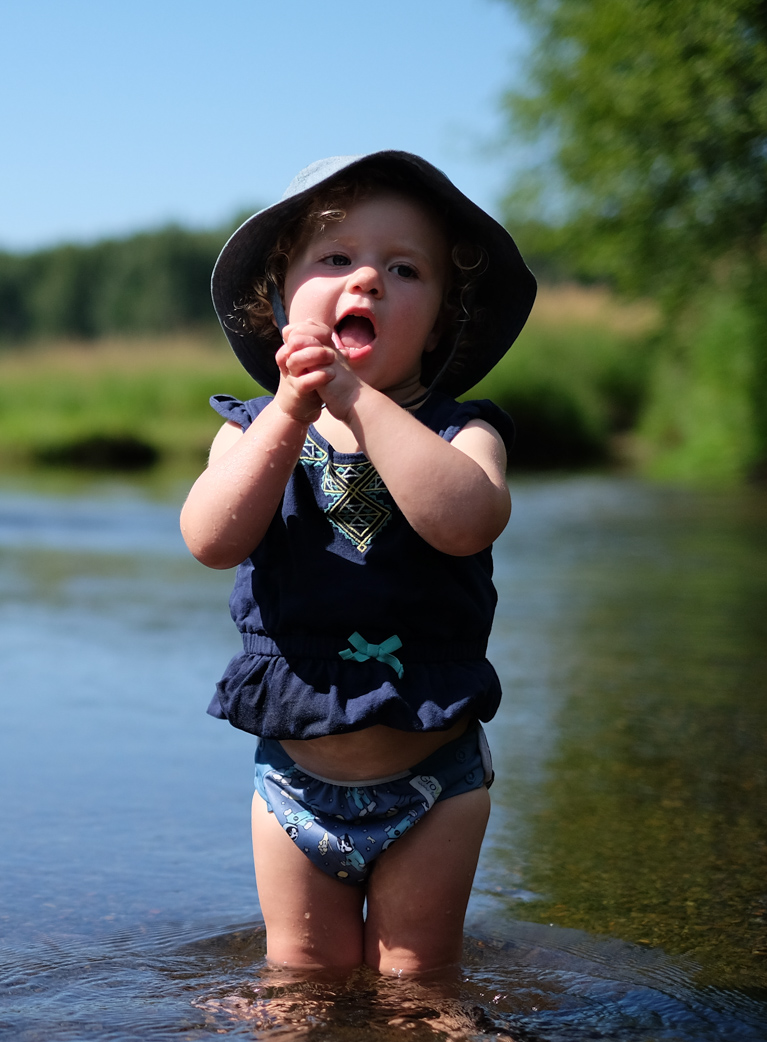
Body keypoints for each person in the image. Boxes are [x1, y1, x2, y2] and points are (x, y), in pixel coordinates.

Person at [180, 152, 536, 977]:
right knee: (301, 979)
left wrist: (356, 399)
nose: (367, 279)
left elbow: (466, 521)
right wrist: (292, 412)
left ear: (441, 319)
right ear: (279, 298)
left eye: (403, 269)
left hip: (432, 782)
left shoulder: (462, 433)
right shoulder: (248, 432)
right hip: (295, 782)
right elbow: (210, 537)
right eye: (336, 260)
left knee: (415, 983)